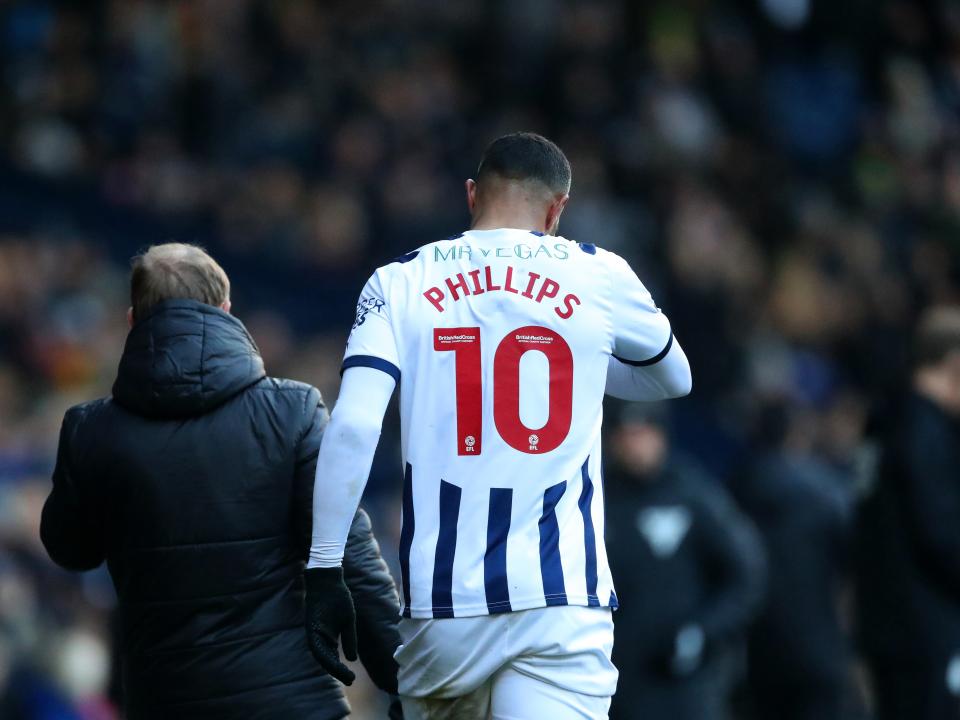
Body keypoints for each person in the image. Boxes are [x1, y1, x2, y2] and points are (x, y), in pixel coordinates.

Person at [303, 132, 692, 719]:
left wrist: (325, 564)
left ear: (470, 195)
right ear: (557, 208)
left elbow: (355, 426)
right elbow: (674, 377)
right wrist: (580, 366)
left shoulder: (398, 280)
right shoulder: (599, 274)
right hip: (560, 601)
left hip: (442, 608)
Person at [39, 244, 402, 720]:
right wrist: (406, 686)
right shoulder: (293, 412)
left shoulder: (91, 430)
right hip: (292, 705)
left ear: (133, 320)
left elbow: (70, 549)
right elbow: (352, 562)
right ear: (226, 312)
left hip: (163, 703)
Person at [605, 405, 765, 720]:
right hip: (618, 678)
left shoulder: (692, 493)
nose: (635, 445)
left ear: (662, 436)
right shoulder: (598, 498)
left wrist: (702, 631)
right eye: (627, 435)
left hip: (685, 681)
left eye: (644, 434)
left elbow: (746, 573)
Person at [856, 306, 960, 720]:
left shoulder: (882, 419)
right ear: (954, 362)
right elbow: (942, 532)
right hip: (928, 627)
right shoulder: (926, 432)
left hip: (885, 623)